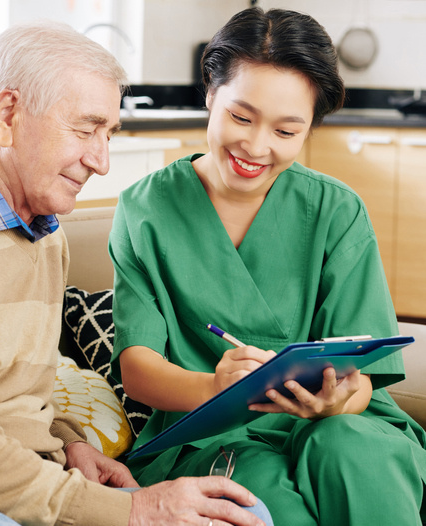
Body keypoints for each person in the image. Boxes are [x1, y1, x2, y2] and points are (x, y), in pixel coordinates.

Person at [0, 21, 270, 526]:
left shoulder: (43, 228)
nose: (100, 161)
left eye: (109, 133)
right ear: (7, 114)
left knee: (244, 514)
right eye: (84, 129)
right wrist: (131, 510)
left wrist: (69, 443)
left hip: (34, 478)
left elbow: (9, 391)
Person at [109, 7, 426, 526]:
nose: (256, 147)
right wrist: (215, 388)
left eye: (286, 131)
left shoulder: (336, 212)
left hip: (339, 425)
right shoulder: (145, 210)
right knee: (268, 506)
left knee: (357, 456)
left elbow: (364, 374)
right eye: (240, 116)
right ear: (210, 92)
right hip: (212, 434)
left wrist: (338, 400)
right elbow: (138, 367)